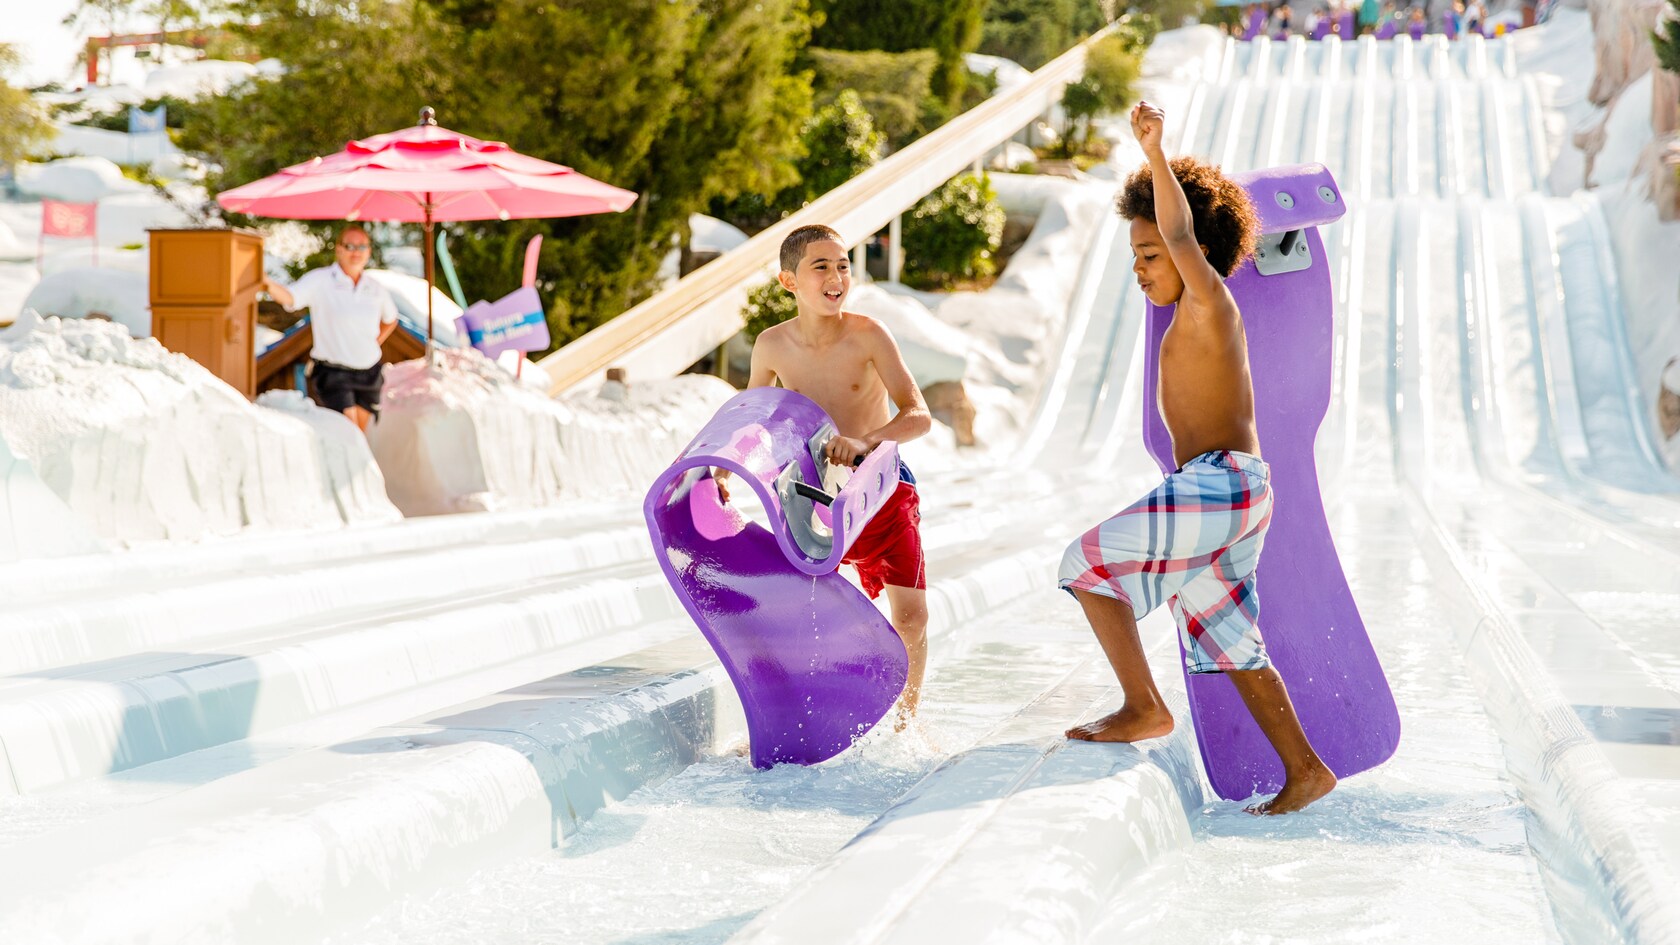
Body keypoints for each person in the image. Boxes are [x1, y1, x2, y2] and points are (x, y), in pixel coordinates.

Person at [1056, 102, 1336, 816]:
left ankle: (1142, 703)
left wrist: (1154, 151)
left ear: (1194, 254)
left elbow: (1180, 228)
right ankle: (1305, 769)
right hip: (1225, 492)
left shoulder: (1210, 299)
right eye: (1135, 259)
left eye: (1150, 256)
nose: (1142, 270)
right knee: (1230, 639)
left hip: (1224, 484)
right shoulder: (1183, 320)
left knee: (1086, 563)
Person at [717, 224, 934, 722]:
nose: (837, 277)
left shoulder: (868, 335)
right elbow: (757, 415)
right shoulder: (772, 345)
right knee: (808, 621)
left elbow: (917, 414)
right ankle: (812, 717)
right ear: (789, 281)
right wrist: (728, 466)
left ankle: (906, 722)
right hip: (812, 501)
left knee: (910, 617)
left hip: (879, 490)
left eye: (843, 266)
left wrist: (866, 440)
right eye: (822, 267)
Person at [265, 226, 398, 432]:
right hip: (334, 373)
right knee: (348, 432)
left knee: (361, 437)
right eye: (350, 246)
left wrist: (374, 342)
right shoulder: (321, 280)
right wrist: (265, 282)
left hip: (369, 373)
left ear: (369, 251)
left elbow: (391, 319)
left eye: (362, 246)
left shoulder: (375, 288)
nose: (356, 251)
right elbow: (291, 297)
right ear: (339, 249)